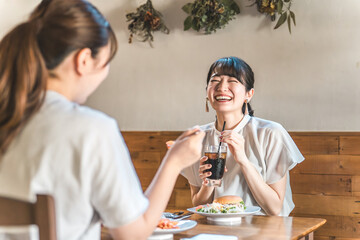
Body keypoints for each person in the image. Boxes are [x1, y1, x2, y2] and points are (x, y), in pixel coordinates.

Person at [0, 0, 205, 239]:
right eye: (107, 62)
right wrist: (174, 162)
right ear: (84, 60)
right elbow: (132, 234)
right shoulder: (91, 129)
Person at [181, 56, 304, 216]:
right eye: (215, 80)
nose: (222, 87)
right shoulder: (197, 138)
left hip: (266, 231)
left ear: (249, 94)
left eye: (233, 80)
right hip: (215, 230)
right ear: (207, 92)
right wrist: (209, 183)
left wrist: (243, 161)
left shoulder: (270, 133)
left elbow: (275, 208)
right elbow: (198, 205)